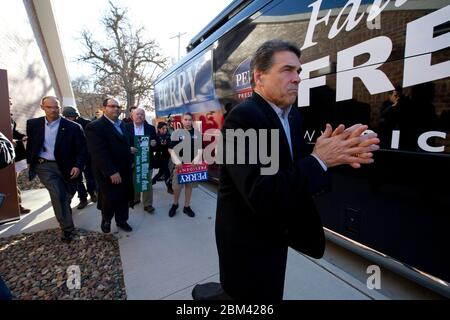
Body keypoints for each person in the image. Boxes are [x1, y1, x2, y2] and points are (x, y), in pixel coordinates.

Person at [213, 40, 380, 300]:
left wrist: (336, 152)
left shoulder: (291, 115)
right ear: (259, 77)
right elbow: (262, 193)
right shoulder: (244, 119)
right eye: (287, 70)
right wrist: (320, 160)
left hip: (276, 235)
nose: (297, 78)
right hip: (247, 243)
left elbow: (295, 167)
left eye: (299, 71)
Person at [26, 96, 87, 243]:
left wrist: (78, 166)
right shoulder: (33, 124)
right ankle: (67, 229)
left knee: (67, 194)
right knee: (58, 194)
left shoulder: (73, 127)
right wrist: (30, 162)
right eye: (49, 107)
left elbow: (82, 149)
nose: (53, 110)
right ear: (42, 107)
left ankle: (63, 210)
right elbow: (31, 144)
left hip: (67, 167)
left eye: (56, 107)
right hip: (44, 166)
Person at [85, 98, 134, 233]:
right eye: (112, 106)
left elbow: (122, 144)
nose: (116, 109)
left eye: (118, 106)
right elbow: (98, 153)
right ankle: (106, 218)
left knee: (124, 197)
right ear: (104, 108)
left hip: (124, 169)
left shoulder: (122, 124)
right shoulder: (95, 126)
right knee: (110, 198)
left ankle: (122, 220)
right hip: (107, 171)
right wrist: (111, 172)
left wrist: (129, 152)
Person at [168, 112, 203, 218]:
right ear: (182, 121)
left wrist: (197, 159)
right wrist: (177, 160)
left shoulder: (197, 133)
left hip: (192, 165)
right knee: (177, 187)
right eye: (186, 119)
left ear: (192, 121)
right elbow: (170, 149)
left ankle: (186, 207)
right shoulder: (176, 133)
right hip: (180, 165)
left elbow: (200, 148)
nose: (188, 122)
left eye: (189, 119)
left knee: (189, 186)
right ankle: (175, 204)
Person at [62, 106, 97, 209]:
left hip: (88, 154)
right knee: (77, 179)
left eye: (71, 117)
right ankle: (82, 198)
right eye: (67, 117)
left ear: (76, 116)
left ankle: (92, 193)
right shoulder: (63, 125)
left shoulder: (86, 123)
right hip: (73, 156)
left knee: (90, 176)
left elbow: (92, 139)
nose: (69, 119)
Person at [124, 107, 157, 214]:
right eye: (137, 114)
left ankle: (148, 204)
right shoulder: (125, 127)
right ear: (132, 116)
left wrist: (154, 143)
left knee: (147, 182)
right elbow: (120, 143)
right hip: (132, 160)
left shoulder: (150, 128)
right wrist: (128, 149)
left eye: (142, 114)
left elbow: (156, 142)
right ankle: (135, 199)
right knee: (134, 180)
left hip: (146, 160)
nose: (139, 116)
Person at [152, 122, 172, 193]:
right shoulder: (156, 137)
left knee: (161, 172)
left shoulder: (168, 136)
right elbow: (154, 149)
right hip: (159, 157)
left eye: (166, 128)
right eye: (163, 128)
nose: (165, 130)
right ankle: (169, 187)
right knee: (166, 172)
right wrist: (160, 145)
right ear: (159, 129)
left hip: (166, 157)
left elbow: (170, 146)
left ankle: (153, 181)